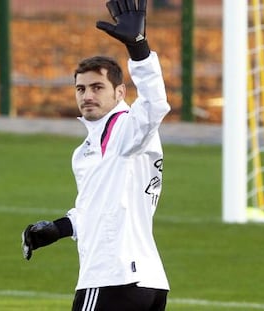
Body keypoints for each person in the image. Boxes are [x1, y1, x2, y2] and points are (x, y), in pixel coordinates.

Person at [21, 1, 170, 310]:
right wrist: (58, 229)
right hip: (146, 280)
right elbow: (98, 206)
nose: (87, 96)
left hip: (112, 277)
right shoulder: (88, 149)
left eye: (97, 87)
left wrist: (139, 49)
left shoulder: (125, 129)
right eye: (80, 89)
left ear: (119, 93)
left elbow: (154, 105)